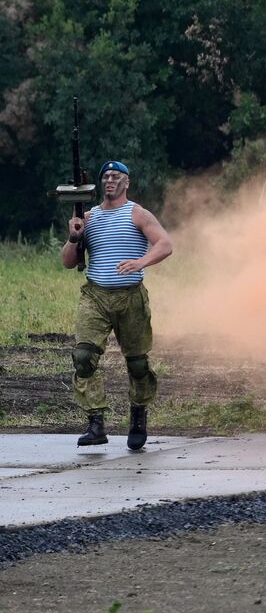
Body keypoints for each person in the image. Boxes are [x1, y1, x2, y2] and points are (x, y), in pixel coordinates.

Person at [61, 160, 174, 450]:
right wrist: (75, 236)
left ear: (127, 182)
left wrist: (141, 262)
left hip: (130, 295)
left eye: (116, 176)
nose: (110, 180)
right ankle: (95, 422)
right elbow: (67, 261)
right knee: (84, 357)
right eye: (106, 177)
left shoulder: (137, 214)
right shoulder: (88, 217)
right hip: (95, 295)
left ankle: (138, 415)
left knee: (137, 363)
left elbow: (164, 244)